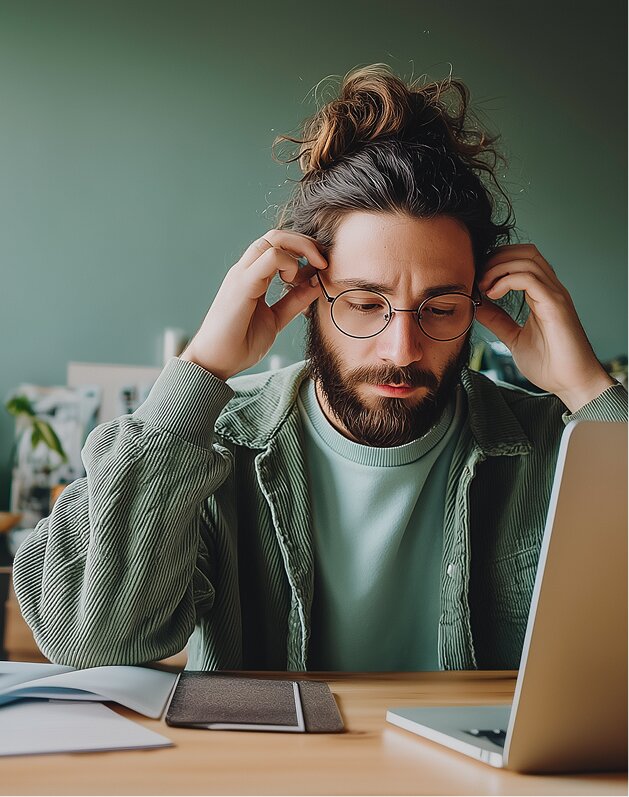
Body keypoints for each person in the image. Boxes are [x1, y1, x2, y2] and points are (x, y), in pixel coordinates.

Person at [13, 64, 627, 672]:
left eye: (440, 309)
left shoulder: (558, 449)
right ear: (308, 291)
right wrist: (200, 370)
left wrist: (590, 390)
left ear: (479, 305)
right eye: (364, 304)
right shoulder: (213, 441)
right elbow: (96, 641)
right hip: (275, 773)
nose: (402, 349)